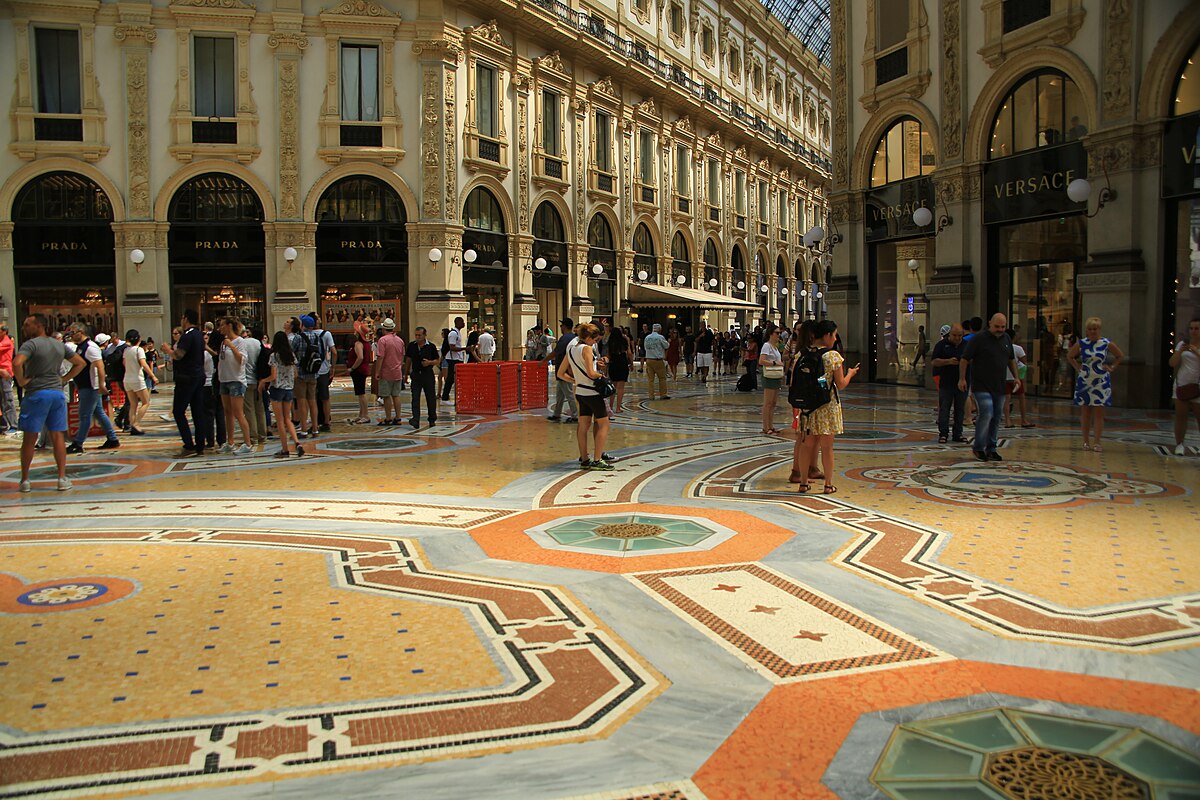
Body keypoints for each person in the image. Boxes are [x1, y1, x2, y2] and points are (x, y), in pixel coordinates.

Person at [12, 314, 86, 491]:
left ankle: (25, 480)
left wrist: (21, 381)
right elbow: (80, 363)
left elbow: (16, 362)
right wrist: (64, 379)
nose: (24, 328)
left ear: (39, 326)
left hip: (37, 393)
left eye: (27, 324)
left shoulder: (30, 344)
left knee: (30, 437)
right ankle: (61, 478)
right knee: (57, 435)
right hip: (57, 394)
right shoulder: (59, 345)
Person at [794, 320, 858, 494]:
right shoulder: (833, 356)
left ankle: (803, 483)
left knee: (807, 445)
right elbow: (841, 384)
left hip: (807, 408)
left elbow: (794, 381)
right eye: (834, 335)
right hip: (827, 407)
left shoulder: (801, 354)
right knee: (827, 447)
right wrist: (850, 373)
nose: (835, 339)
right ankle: (828, 484)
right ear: (828, 335)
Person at [959, 313, 1020, 462]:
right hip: (981, 384)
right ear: (990, 324)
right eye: (997, 326)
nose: (1000, 330)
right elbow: (964, 359)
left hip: (999, 385)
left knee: (996, 416)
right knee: (986, 412)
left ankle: (991, 448)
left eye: (1003, 327)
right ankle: (979, 447)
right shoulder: (979, 339)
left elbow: (1011, 360)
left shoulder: (1006, 339)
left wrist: (1016, 377)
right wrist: (962, 378)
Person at [558, 322, 614, 470]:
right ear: (589, 337)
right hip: (592, 392)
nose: (595, 343)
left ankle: (584, 458)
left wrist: (575, 380)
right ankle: (597, 459)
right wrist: (602, 376)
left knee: (583, 425)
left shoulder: (571, 349)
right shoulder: (587, 349)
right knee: (604, 424)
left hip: (580, 392)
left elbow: (560, 373)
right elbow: (591, 372)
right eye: (595, 340)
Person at [1068, 316, 1123, 452]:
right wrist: (1078, 368)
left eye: (1095, 329)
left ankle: (1097, 442)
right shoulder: (1081, 343)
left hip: (1101, 380)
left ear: (1099, 329)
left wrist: (1112, 367)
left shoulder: (1106, 343)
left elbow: (1120, 356)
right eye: (1090, 329)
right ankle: (1085, 441)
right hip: (1085, 380)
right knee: (1085, 412)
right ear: (1087, 330)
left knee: (1099, 413)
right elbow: (1070, 356)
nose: (1093, 331)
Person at [65, 323, 121, 453]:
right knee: (99, 413)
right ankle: (112, 439)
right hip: (85, 385)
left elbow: (100, 366)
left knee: (84, 415)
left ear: (81, 332)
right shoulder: (80, 347)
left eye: (73, 332)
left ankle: (78, 443)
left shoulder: (90, 347)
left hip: (90, 386)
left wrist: (101, 384)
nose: (71, 335)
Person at [163, 309, 209, 457]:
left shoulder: (187, 336)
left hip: (186, 377)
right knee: (197, 411)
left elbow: (178, 355)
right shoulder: (199, 335)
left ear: (186, 319)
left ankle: (189, 444)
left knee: (178, 411)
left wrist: (168, 350)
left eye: (182, 318)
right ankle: (200, 445)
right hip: (198, 375)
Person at [259, 330, 302, 458]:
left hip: (277, 390)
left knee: (280, 420)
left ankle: (285, 449)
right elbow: (295, 374)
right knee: (288, 419)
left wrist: (263, 381)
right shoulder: (291, 355)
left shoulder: (274, 356)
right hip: (289, 389)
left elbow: (273, 375)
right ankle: (297, 443)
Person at [216, 317, 254, 454]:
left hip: (236, 380)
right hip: (224, 379)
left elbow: (242, 360)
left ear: (229, 326)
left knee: (238, 412)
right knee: (228, 412)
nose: (220, 328)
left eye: (222, 325)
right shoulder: (223, 342)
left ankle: (248, 443)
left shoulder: (240, 342)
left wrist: (231, 347)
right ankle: (230, 441)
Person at [932, 324, 968, 444]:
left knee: (960, 409)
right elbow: (934, 361)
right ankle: (943, 433)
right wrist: (948, 361)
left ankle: (958, 433)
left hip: (962, 383)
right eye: (954, 335)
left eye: (960, 335)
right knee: (944, 408)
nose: (957, 338)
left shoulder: (966, 345)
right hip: (946, 383)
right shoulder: (941, 345)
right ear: (949, 334)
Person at [1169, 317, 1200, 455]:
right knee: (1181, 416)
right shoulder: (1182, 344)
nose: (1194, 331)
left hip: (1198, 385)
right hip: (1182, 384)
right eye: (1191, 328)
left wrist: (1197, 352)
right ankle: (1179, 444)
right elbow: (1172, 363)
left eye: (1197, 328)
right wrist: (1180, 351)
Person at [121, 330, 155, 435]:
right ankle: (136, 424)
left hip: (127, 380)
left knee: (133, 404)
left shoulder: (126, 350)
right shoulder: (139, 350)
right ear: (138, 339)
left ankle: (132, 425)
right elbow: (144, 364)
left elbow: (124, 363)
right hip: (137, 379)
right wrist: (153, 376)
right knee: (146, 402)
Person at [373, 318, 406, 425]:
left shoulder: (382, 341)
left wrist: (377, 372)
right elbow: (402, 357)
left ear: (384, 329)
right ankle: (398, 417)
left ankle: (388, 418)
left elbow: (380, 357)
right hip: (397, 372)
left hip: (386, 372)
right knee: (396, 395)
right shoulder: (400, 340)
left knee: (386, 396)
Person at [544, 318, 578, 422]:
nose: (560, 327)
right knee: (560, 394)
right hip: (566, 371)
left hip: (564, 372)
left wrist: (543, 361)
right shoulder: (573, 338)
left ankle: (575, 416)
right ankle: (557, 413)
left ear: (565, 326)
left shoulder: (565, 338)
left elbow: (555, 352)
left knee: (569, 394)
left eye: (561, 325)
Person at [406, 326, 440, 428]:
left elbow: (438, 360)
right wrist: (406, 373)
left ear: (425, 335)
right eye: (416, 335)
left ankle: (432, 418)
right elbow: (408, 359)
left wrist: (429, 362)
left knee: (430, 397)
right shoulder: (412, 346)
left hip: (427, 374)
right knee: (415, 397)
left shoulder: (431, 347)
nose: (417, 337)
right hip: (416, 374)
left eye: (419, 335)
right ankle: (415, 419)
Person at [241, 327, 267, 444]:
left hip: (247, 379)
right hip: (259, 379)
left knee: (249, 409)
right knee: (259, 408)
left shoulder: (242, 343)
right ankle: (262, 434)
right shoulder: (258, 343)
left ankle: (253, 435)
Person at [311, 314, 337, 431]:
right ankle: (326, 421)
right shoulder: (326, 334)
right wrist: (333, 366)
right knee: (325, 397)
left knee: (312, 397)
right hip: (323, 369)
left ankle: (315, 422)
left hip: (310, 370)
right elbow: (334, 351)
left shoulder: (306, 335)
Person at [347, 318, 374, 424]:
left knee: (361, 393)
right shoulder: (366, 343)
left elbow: (360, 357)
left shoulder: (358, 344)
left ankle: (365, 415)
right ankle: (361, 414)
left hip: (359, 370)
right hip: (362, 370)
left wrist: (352, 368)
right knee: (359, 393)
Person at [1004, 333, 1034, 429]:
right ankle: (1023, 420)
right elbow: (1024, 361)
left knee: (1007, 399)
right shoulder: (1017, 348)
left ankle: (1007, 420)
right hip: (1016, 377)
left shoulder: (1001, 347)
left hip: (1005, 376)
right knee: (1021, 398)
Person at [759, 325, 784, 434]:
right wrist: (774, 363)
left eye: (779, 333)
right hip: (769, 375)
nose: (778, 335)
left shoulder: (776, 347)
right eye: (777, 333)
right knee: (768, 403)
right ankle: (766, 427)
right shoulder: (766, 346)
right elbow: (762, 360)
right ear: (771, 334)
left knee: (773, 403)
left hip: (776, 376)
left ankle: (771, 425)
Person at [607, 325, 631, 415]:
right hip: (622, 363)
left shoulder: (610, 342)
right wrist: (631, 363)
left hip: (613, 364)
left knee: (613, 387)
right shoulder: (624, 340)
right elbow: (629, 353)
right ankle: (618, 408)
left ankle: (610, 407)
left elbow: (608, 354)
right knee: (621, 388)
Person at [442, 316, 466, 400]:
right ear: (458, 322)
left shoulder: (458, 332)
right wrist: (465, 348)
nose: (464, 323)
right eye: (462, 322)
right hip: (453, 359)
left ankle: (459, 396)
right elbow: (452, 347)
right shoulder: (453, 333)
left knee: (455, 378)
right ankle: (445, 397)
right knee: (450, 378)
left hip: (457, 358)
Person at [643, 323, 669, 400]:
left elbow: (645, 347)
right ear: (660, 329)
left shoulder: (647, 337)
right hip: (658, 360)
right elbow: (666, 346)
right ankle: (663, 394)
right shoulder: (660, 337)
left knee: (650, 380)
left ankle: (651, 395)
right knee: (662, 378)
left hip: (648, 359)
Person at [0, 323, 16, 433]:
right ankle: (3, 425)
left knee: (7, 399)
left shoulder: (7, 342)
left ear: (4, 331)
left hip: (5, 372)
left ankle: (14, 424)